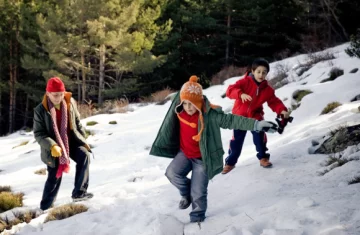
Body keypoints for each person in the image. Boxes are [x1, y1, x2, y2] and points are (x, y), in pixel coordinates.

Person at [150, 75, 278, 223]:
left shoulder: (210, 116)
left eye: (192, 104)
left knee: (198, 192)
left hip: (203, 158)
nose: (188, 107)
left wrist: (257, 125)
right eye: (185, 104)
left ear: (199, 103)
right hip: (185, 153)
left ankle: (197, 219)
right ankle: (186, 193)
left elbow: (232, 120)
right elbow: (181, 95)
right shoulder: (179, 110)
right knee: (172, 174)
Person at [33, 77, 93, 210]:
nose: (59, 97)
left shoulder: (70, 102)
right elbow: (39, 134)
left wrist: (83, 139)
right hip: (53, 147)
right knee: (54, 176)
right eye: (55, 95)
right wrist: (52, 145)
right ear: (48, 93)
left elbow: (77, 123)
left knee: (85, 156)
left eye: (61, 94)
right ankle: (45, 207)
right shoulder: (40, 110)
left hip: (71, 142)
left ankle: (79, 193)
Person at [222, 58, 289, 174]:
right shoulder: (244, 82)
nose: (261, 74)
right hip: (239, 117)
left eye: (264, 72)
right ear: (252, 71)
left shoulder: (267, 89)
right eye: (258, 71)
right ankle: (230, 163)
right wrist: (240, 94)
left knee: (260, 137)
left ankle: (263, 158)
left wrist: (282, 111)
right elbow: (230, 90)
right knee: (236, 141)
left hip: (255, 116)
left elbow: (274, 102)